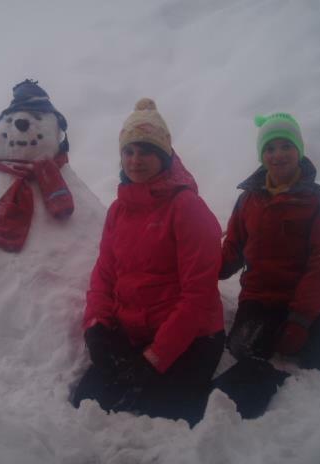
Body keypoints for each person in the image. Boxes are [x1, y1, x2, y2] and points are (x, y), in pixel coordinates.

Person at [71, 98, 225, 427]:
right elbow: (104, 274)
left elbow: (198, 296)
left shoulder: (186, 207)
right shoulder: (118, 210)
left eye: (146, 151)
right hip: (137, 332)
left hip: (192, 336)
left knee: (163, 413)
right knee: (87, 401)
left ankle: (254, 379)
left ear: (164, 156)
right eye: (129, 151)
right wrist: (96, 325)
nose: (135, 160)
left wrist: (155, 357)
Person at [220, 112, 320, 376]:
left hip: (302, 297)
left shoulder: (317, 201)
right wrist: (205, 271)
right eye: (270, 148)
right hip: (259, 297)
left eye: (286, 146)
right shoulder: (249, 200)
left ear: (299, 150)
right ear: (261, 155)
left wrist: (301, 319)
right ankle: (312, 321)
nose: (278, 154)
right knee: (243, 349)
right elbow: (233, 247)